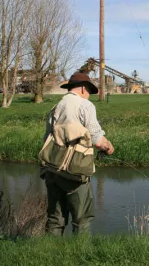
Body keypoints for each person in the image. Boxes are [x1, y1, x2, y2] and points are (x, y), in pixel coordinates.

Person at [42, 72, 114, 236]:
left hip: (52, 169)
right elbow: (97, 140)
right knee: (82, 219)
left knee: (55, 218)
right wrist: (109, 147)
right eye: (89, 91)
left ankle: (48, 255)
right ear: (83, 88)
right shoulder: (85, 105)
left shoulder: (55, 107)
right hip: (75, 172)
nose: (89, 95)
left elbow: (47, 138)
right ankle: (80, 256)